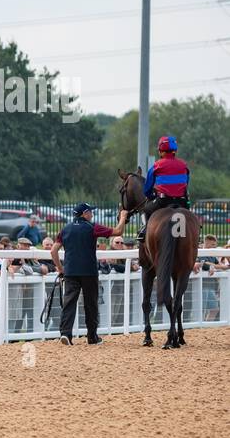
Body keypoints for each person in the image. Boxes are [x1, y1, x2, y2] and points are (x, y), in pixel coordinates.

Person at [50, 202, 128, 345]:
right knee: (91, 304)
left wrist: (61, 269)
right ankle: (92, 337)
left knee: (69, 303)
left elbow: (53, 250)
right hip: (89, 272)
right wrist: (122, 217)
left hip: (71, 272)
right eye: (90, 212)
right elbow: (118, 232)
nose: (92, 214)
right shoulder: (93, 227)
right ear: (84, 213)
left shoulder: (65, 229)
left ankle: (66, 334)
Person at [138, 134, 190, 240]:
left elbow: (147, 189)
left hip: (163, 202)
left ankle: (145, 230)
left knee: (145, 210)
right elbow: (186, 184)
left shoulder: (157, 166)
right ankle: (195, 235)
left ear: (161, 150)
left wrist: (151, 195)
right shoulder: (184, 165)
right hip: (182, 202)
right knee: (190, 216)